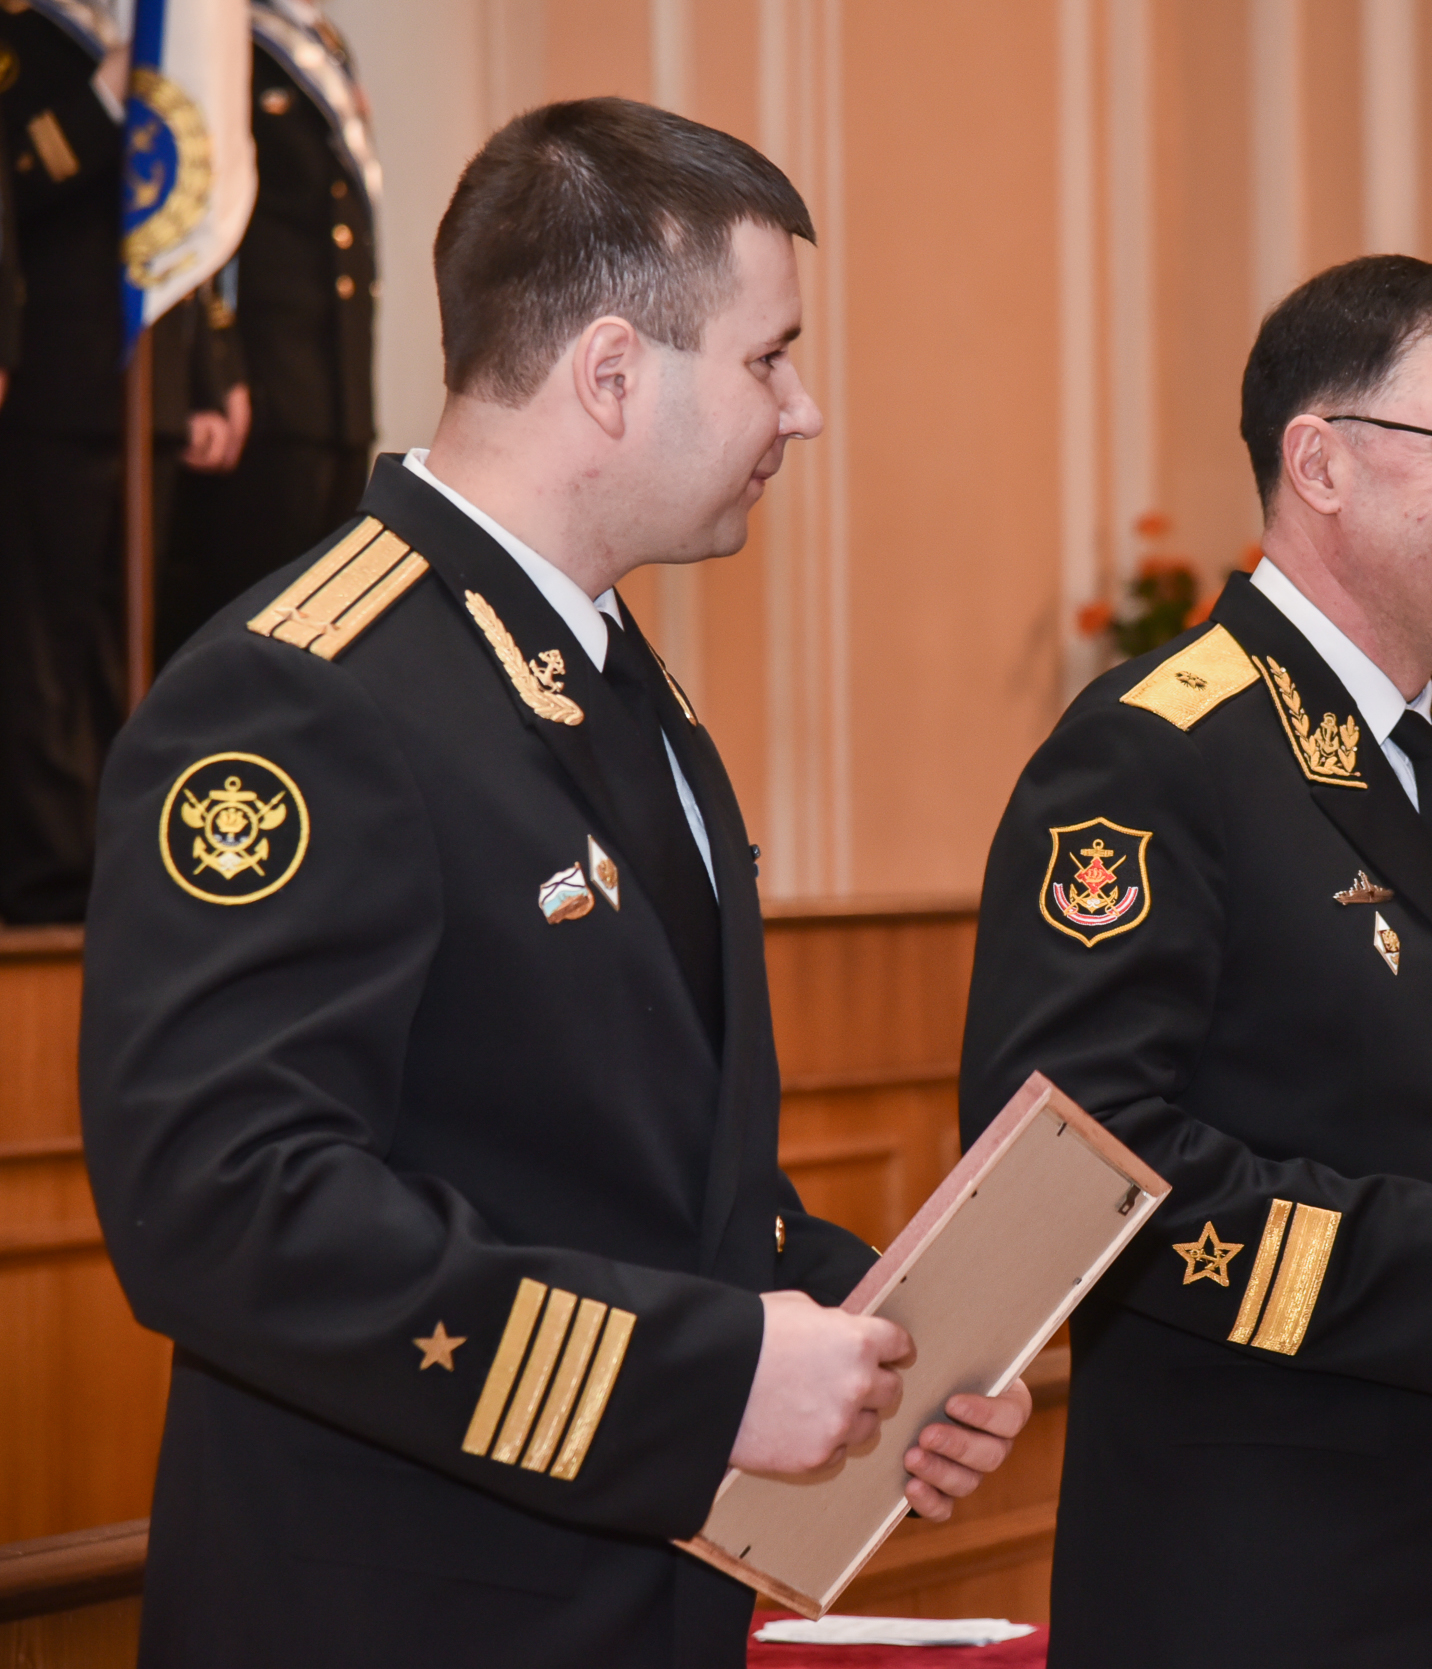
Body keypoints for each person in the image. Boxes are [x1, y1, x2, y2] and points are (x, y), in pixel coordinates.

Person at [80, 99, 1028, 1669]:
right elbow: (227, 1208)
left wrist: (869, 1332)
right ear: (611, 373)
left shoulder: (605, 674)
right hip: (402, 1613)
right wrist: (707, 1377)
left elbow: (625, 1158)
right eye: (769, 358)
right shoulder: (306, 691)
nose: (802, 413)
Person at [957, 254, 1432, 1669]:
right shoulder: (1158, 753)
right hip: (1262, 1581)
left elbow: (1430, 1126)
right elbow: (1064, 1170)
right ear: (1320, 464)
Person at [0, 0, 248, 924]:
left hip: (151, 389)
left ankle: (121, 857)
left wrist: (210, 375)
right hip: (53, 382)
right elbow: (19, 177)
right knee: (45, 650)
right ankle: (50, 879)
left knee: (127, 648)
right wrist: (104, 96)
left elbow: (188, 222)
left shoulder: (166, 29)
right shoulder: (28, 37)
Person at [159, 0, 382, 665]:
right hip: (262, 389)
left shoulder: (319, 38)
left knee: (321, 642)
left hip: (331, 390)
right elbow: (203, 220)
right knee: (243, 642)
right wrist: (213, 368)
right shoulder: (225, 35)